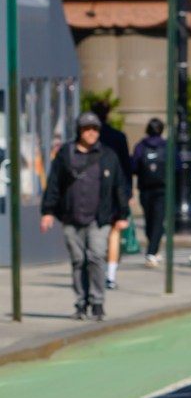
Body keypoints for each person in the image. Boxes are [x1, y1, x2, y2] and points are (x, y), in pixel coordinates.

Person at [41, 111, 130, 321]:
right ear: (79, 131)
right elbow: (54, 183)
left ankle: (98, 301)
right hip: (71, 216)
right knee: (78, 260)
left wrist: (122, 213)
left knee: (97, 256)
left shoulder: (108, 155)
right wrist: (47, 211)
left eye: (94, 129)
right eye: (86, 129)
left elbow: (119, 185)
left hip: (99, 217)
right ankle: (81, 302)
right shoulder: (66, 153)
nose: (91, 133)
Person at [91, 100, 131, 290]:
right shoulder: (118, 137)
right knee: (113, 233)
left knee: (92, 232)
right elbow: (126, 167)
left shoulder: (88, 137)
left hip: (92, 190)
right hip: (114, 189)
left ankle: (96, 273)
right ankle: (110, 275)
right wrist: (127, 193)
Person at [131, 118, 168, 268]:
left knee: (149, 220)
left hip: (145, 188)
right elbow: (177, 166)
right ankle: (153, 251)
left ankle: (153, 250)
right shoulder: (167, 146)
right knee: (158, 221)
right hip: (163, 188)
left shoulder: (141, 146)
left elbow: (133, 166)